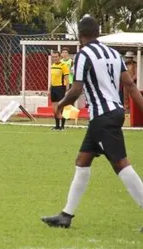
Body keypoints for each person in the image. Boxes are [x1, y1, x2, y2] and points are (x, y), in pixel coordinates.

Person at [41, 17, 143, 231]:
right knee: (83, 160)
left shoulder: (84, 54)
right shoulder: (114, 54)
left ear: (80, 36)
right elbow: (130, 85)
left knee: (121, 164)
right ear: (98, 33)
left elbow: (77, 89)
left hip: (102, 116)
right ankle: (66, 215)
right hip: (113, 112)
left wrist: (61, 104)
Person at [50, 50, 70, 130]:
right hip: (53, 88)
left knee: (61, 107)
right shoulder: (52, 65)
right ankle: (57, 125)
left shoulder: (63, 66)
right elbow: (52, 78)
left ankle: (62, 126)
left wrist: (67, 89)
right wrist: (49, 88)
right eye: (53, 57)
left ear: (59, 57)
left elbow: (67, 78)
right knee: (55, 108)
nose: (55, 58)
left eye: (56, 57)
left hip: (61, 88)